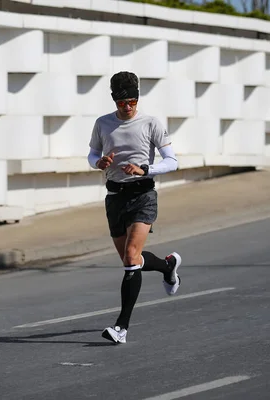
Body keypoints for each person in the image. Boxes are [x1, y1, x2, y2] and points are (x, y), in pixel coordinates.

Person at [87, 71, 182, 344]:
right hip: (115, 197)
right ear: (114, 101)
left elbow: (172, 160)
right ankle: (168, 266)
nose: (127, 107)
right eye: (121, 102)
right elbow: (93, 152)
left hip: (143, 194)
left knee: (131, 257)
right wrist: (98, 162)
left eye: (131, 101)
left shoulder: (151, 123)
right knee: (133, 260)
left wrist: (145, 169)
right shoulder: (103, 124)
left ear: (137, 99)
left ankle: (121, 328)